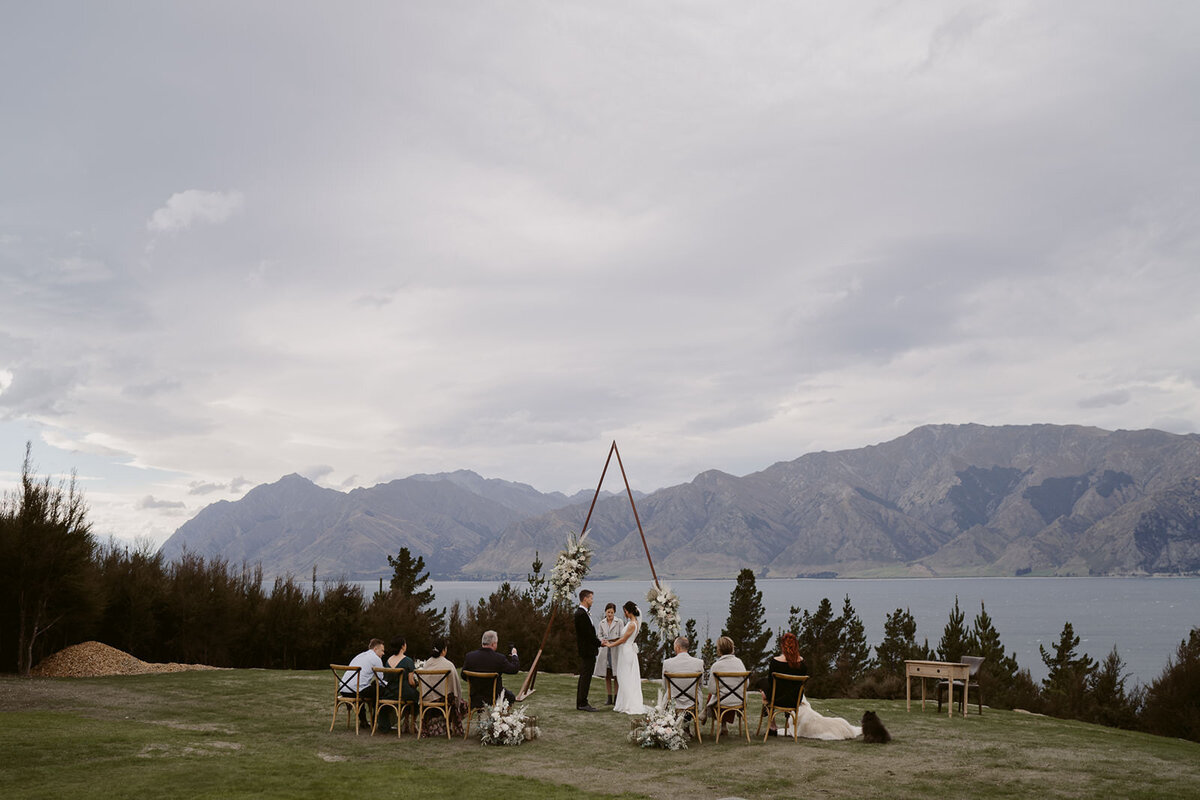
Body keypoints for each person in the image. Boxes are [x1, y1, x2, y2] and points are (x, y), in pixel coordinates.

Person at [758, 632, 808, 736]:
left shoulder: (775, 662)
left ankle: (772, 726)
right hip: (794, 700)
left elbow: (771, 684)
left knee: (763, 685)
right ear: (796, 645)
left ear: (782, 646)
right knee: (765, 685)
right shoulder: (802, 664)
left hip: (777, 699)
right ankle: (768, 702)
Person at [607, 601, 648, 715]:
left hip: (627, 651)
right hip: (626, 650)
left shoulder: (632, 624)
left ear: (628, 611)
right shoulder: (633, 623)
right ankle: (624, 702)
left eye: (625, 611)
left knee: (625, 676)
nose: (624, 613)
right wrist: (610, 640)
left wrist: (611, 645)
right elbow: (621, 637)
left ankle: (629, 704)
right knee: (624, 676)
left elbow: (623, 639)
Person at [420, 639, 467, 737]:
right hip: (444, 700)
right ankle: (450, 725)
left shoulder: (427, 664)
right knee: (462, 703)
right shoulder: (448, 665)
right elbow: (456, 687)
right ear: (444, 650)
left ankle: (437, 725)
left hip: (427, 700)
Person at [703, 636, 747, 736]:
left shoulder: (716, 666)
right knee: (727, 694)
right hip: (739, 700)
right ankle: (723, 725)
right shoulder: (739, 663)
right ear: (732, 648)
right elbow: (746, 684)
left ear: (719, 650)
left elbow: (712, 689)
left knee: (718, 695)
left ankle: (706, 711)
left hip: (723, 701)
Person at [463, 630, 520, 706]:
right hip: (494, 697)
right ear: (493, 644)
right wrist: (514, 655)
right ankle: (501, 716)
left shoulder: (470, 656)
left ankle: (483, 714)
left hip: (475, 698)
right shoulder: (499, 658)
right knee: (511, 697)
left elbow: (463, 675)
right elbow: (514, 669)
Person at [340, 638, 387, 729]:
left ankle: (364, 721)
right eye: (382, 650)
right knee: (380, 690)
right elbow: (381, 680)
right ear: (375, 649)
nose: (383, 653)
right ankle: (375, 719)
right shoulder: (376, 658)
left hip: (344, 689)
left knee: (366, 688)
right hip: (356, 691)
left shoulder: (359, 656)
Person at [375, 635, 418, 733]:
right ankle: (411, 722)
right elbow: (411, 682)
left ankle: (405, 722)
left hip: (388, 692)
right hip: (402, 692)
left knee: (412, 694)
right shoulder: (408, 661)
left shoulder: (388, 660)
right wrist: (416, 684)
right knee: (417, 696)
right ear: (403, 646)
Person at [661, 635, 705, 719]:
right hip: (692, 702)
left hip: (673, 701)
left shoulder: (667, 663)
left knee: (667, 695)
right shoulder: (699, 663)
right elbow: (700, 685)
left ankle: (674, 723)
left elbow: (665, 686)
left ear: (677, 647)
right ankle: (686, 727)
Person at [574, 589, 603, 711]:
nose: (592, 600)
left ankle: (581, 702)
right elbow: (587, 635)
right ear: (585, 599)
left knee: (585, 676)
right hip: (587, 651)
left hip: (588, 650)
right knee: (585, 677)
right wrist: (600, 643)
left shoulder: (583, 613)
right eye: (591, 598)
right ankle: (582, 703)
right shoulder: (581, 614)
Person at [595, 601, 623, 705]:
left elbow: (621, 635)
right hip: (605, 650)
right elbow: (599, 635)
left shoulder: (619, 622)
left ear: (614, 612)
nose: (609, 614)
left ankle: (616, 697)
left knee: (616, 675)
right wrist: (604, 641)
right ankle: (609, 697)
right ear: (605, 612)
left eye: (611, 612)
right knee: (607, 675)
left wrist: (613, 641)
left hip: (615, 650)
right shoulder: (602, 623)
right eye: (608, 612)